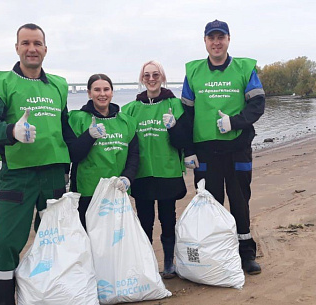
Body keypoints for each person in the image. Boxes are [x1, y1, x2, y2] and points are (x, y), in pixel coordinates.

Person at [0, 23, 75, 305]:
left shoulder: (59, 85)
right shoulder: (0, 83)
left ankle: (54, 301)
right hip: (16, 178)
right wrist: (11, 132)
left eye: (37, 43)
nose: (31, 48)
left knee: (55, 244)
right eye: (25, 43)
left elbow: (66, 131)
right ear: (17, 47)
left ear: (45, 49)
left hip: (53, 177)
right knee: (7, 246)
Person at [181, 20, 266, 275]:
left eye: (221, 37)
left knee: (240, 200)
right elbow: (186, 114)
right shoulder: (193, 72)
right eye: (211, 38)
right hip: (206, 152)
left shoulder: (245, 68)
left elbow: (257, 104)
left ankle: (246, 254)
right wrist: (188, 150)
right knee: (211, 202)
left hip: (237, 147)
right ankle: (218, 252)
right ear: (205, 41)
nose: (216, 42)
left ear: (229, 39)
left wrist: (235, 122)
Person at [122, 61, 189, 279]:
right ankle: (147, 262)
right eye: (147, 75)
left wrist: (174, 127)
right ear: (142, 79)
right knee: (144, 221)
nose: (151, 79)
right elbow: (122, 140)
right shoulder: (132, 109)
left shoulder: (175, 104)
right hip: (141, 174)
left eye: (156, 74)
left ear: (163, 77)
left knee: (168, 219)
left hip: (167, 171)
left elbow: (184, 140)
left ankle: (169, 262)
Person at [67, 74, 139, 228]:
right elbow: (73, 155)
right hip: (87, 192)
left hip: (117, 190)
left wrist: (128, 177)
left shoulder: (126, 122)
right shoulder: (76, 118)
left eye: (106, 89)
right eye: (97, 90)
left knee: (115, 237)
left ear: (112, 92)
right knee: (90, 237)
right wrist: (89, 136)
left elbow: (134, 155)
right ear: (89, 93)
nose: (102, 94)